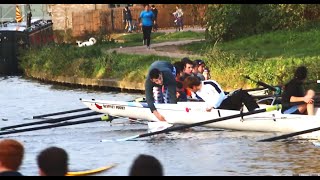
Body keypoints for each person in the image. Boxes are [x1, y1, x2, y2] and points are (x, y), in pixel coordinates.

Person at [183, 76, 260, 112]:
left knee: (241, 93)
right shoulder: (196, 94)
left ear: (193, 86)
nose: (190, 91)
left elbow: (221, 95)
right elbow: (198, 105)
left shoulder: (210, 83)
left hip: (224, 102)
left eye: (190, 89)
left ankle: (256, 111)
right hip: (216, 110)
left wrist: (213, 106)